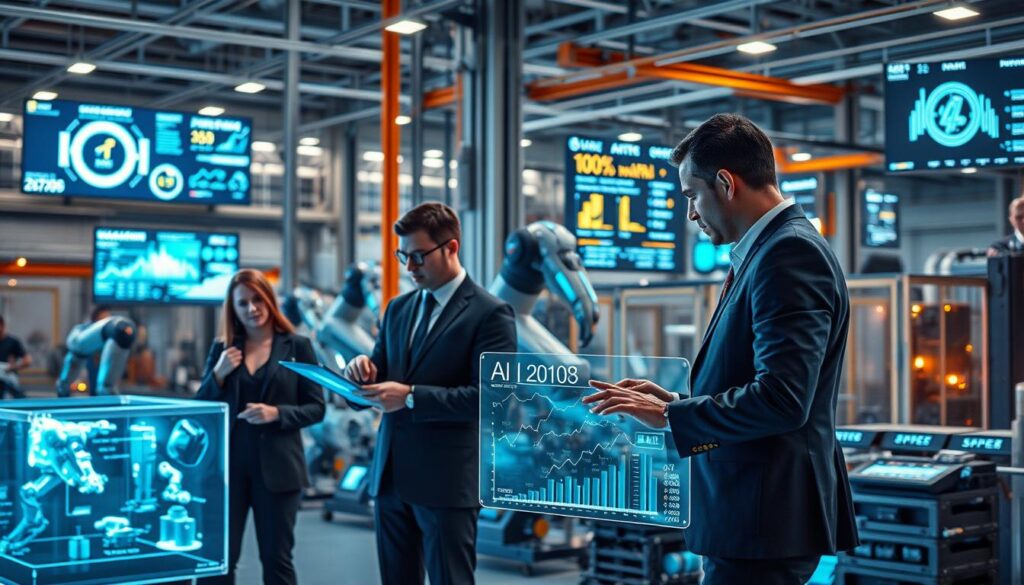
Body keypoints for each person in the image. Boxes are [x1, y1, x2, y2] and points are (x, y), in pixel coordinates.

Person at [584, 114, 859, 585]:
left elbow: (783, 399)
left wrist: (674, 419)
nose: (690, 213)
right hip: (752, 517)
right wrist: (674, 403)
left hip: (761, 519)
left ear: (726, 183)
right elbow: (757, 382)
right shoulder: (768, 251)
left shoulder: (788, 254)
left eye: (692, 195)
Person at [343, 202, 517, 585]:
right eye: (402, 255)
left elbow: (491, 401)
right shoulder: (397, 309)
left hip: (446, 484)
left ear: (451, 248)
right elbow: (374, 385)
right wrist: (356, 373)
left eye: (418, 256)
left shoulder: (491, 314)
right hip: (390, 478)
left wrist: (410, 396)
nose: (409, 268)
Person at [197, 269, 325, 585]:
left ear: (269, 299)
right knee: (218, 562)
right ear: (233, 309)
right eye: (243, 303)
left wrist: (276, 413)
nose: (252, 308)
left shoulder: (298, 346)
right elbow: (200, 407)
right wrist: (218, 374)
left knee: (276, 560)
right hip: (227, 473)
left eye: (257, 299)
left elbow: (316, 408)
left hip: (279, 472)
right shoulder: (222, 349)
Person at [0, 315, 31, 399]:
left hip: (8, 381)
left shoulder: (12, 342)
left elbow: (27, 360)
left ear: (2, 325)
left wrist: (13, 367)